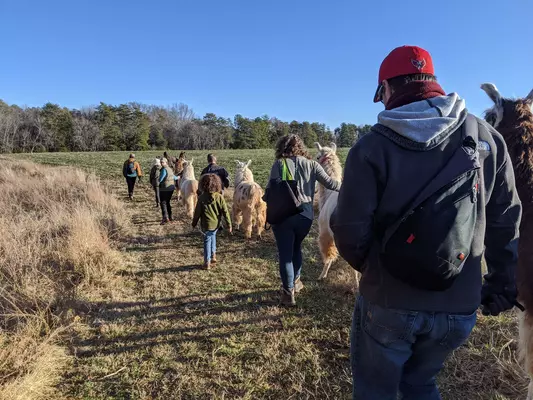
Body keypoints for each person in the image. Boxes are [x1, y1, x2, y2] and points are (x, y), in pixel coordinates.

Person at [331, 45, 522, 399]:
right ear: (432, 83)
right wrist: (501, 281)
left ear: (387, 88)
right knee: (420, 384)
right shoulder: (488, 139)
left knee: (376, 390)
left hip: (388, 303)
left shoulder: (372, 147)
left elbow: (348, 230)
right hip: (459, 306)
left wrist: (376, 268)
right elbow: (506, 219)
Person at [266, 134, 341, 307]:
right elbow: (331, 184)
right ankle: (297, 282)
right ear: (301, 147)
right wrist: (350, 186)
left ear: (282, 148)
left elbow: (271, 188)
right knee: (296, 248)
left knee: (285, 254)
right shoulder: (313, 164)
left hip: (283, 214)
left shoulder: (279, 164)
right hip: (305, 214)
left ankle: (288, 292)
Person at [192, 174, 232, 270]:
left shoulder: (201, 198)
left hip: (206, 225)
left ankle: (207, 262)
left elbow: (197, 213)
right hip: (216, 224)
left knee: (207, 241)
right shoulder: (219, 197)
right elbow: (225, 211)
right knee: (213, 236)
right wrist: (229, 224)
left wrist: (194, 223)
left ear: (203, 185)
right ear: (217, 184)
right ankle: (213, 255)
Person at [158, 158, 177, 225]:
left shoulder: (164, 170)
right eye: (161, 162)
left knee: (163, 202)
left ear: (166, 162)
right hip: (171, 188)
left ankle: (165, 218)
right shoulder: (170, 169)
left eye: (162, 162)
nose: (161, 163)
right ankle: (170, 217)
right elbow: (174, 177)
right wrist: (178, 177)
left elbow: (160, 179)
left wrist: (157, 181)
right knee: (167, 202)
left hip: (164, 188)